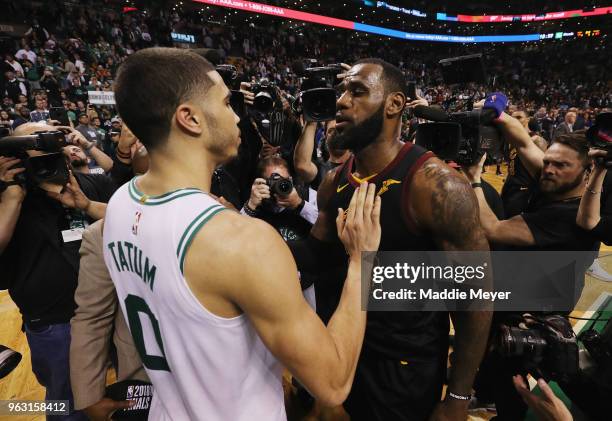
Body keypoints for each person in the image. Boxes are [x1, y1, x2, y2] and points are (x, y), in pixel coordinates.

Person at [104, 47, 381, 420]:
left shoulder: (120, 204)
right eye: (225, 103)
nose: (237, 115)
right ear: (190, 119)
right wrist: (362, 261)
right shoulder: (240, 241)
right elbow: (331, 383)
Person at [289, 58, 492, 421]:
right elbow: (314, 256)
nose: (341, 101)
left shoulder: (436, 186)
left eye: (357, 91)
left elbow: (474, 299)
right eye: (341, 91)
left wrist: (458, 395)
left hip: (404, 368)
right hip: (340, 351)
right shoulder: (334, 181)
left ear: (394, 104)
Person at [70, 220, 149, 420]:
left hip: (219, 384)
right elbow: (92, 316)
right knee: (58, 400)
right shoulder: (105, 232)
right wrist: (89, 396)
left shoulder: (220, 220)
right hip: (143, 380)